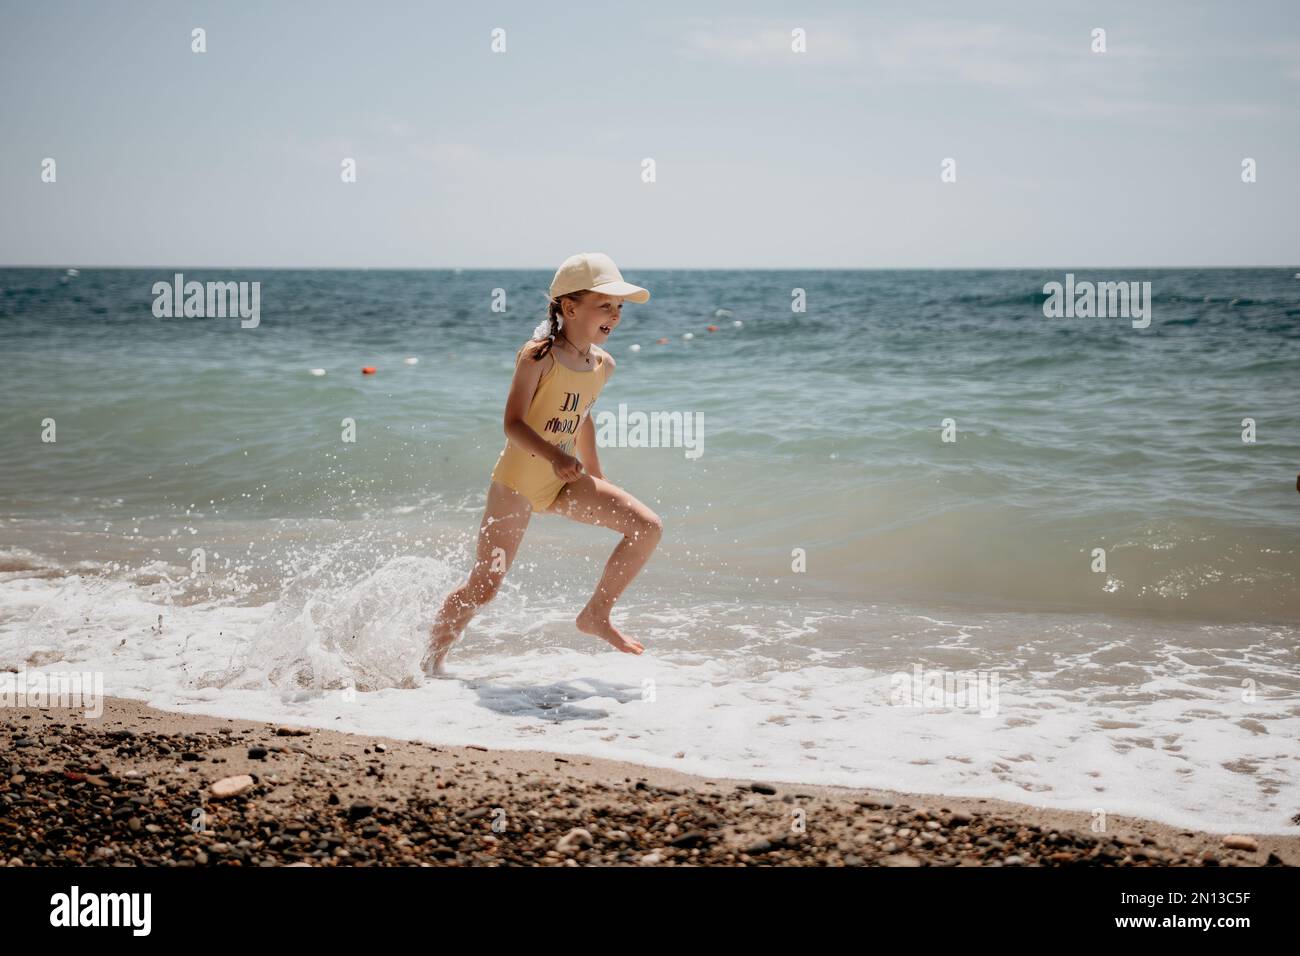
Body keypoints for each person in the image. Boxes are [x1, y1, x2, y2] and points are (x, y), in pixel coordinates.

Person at [421, 253, 663, 676]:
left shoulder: (603, 365)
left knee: (647, 527)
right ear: (570, 308)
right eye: (604, 305)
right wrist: (555, 455)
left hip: (563, 481)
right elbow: (512, 424)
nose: (616, 315)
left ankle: (596, 616)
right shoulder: (539, 356)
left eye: (619, 307)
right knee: (484, 586)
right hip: (515, 484)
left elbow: (582, 415)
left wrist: (596, 474)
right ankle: (428, 663)